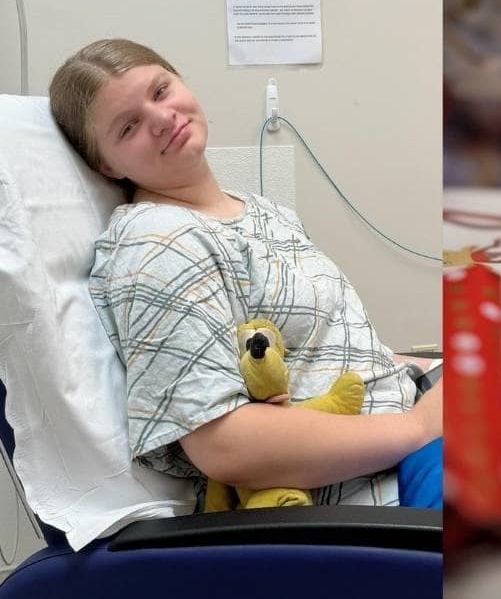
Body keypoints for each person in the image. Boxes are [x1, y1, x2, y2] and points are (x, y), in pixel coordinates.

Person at [48, 38, 442, 508]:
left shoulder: (261, 212)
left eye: (160, 91)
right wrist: (420, 428)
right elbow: (223, 445)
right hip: (372, 490)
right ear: (105, 164)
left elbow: (316, 352)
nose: (160, 119)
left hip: (407, 430)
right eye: (128, 126)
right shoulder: (158, 243)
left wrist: (428, 369)